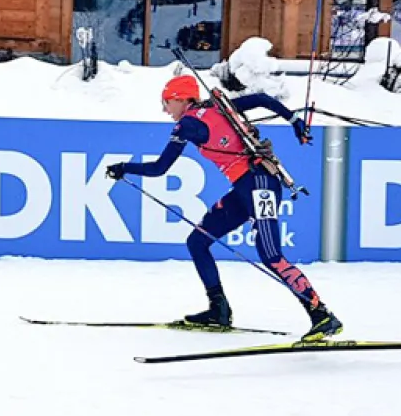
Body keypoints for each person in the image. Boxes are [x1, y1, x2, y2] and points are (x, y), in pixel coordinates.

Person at [106, 74, 343, 342]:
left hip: (260, 185)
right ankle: (218, 310)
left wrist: (125, 168)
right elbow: (263, 99)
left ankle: (321, 315)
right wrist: (294, 121)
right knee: (198, 241)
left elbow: (160, 168)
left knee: (271, 255)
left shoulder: (187, 124)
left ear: (182, 99)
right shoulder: (222, 106)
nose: (165, 110)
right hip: (248, 188)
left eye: (167, 102)